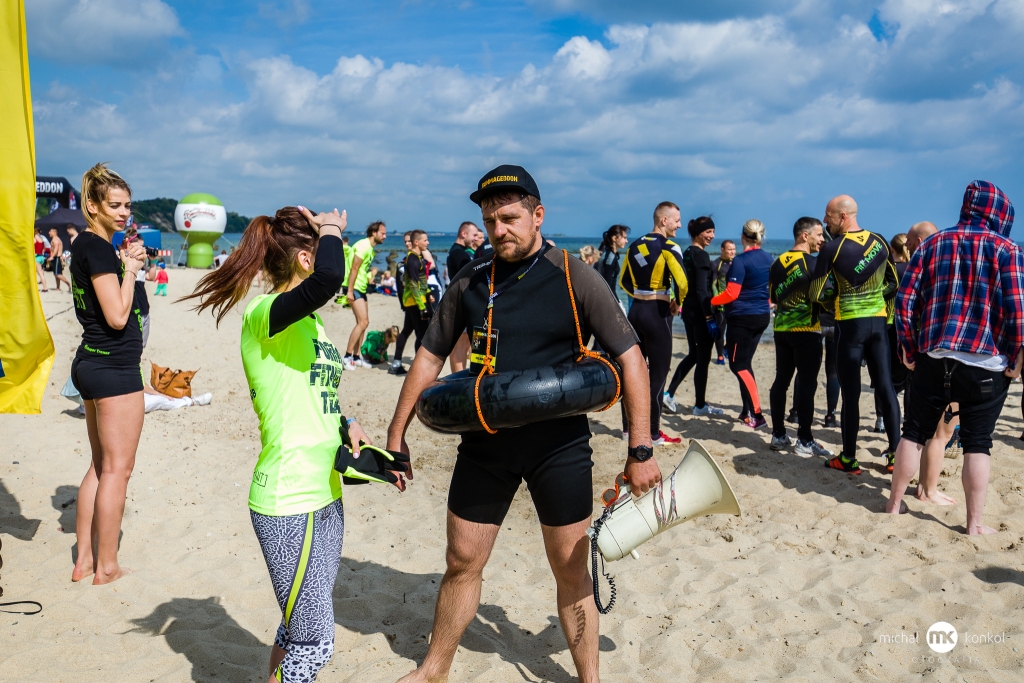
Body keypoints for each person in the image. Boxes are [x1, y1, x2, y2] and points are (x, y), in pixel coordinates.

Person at [387, 165, 657, 683]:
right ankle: (433, 669)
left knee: (571, 570)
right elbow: (429, 358)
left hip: (559, 446)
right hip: (486, 445)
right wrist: (397, 435)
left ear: (538, 216)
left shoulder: (574, 275)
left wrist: (640, 450)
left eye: (509, 218)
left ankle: (590, 679)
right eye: (490, 221)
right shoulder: (471, 280)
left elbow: (632, 359)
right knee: (462, 560)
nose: (499, 230)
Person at [183, 203, 402, 682]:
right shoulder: (263, 315)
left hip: (325, 491)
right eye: (324, 247)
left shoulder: (312, 323)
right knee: (315, 642)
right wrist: (331, 228)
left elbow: (309, 390)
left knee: (295, 627)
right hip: (287, 500)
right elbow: (330, 279)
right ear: (306, 259)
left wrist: (347, 422)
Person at [887, 181, 1023, 534]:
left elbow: (905, 301)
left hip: (934, 356)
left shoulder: (932, 243)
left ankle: (893, 505)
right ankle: (974, 525)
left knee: (913, 433)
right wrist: (1018, 355)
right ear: (999, 214)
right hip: (985, 363)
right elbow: (1017, 310)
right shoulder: (1007, 249)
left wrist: (908, 346)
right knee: (978, 444)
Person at [68, 163, 147, 585]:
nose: (123, 213)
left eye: (127, 205)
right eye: (114, 205)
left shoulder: (86, 246)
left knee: (100, 466)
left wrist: (124, 264)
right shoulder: (97, 248)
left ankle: (84, 561)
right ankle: (107, 566)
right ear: (93, 205)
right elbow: (117, 316)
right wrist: (131, 268)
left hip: (91, 362)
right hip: (112, 368)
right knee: (118, 469)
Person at [810, 195, 900, 474]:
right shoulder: (880, 241)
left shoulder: (832, 248)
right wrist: (875, 300)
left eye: (828, 216)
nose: (825, 221)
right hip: (878, 325)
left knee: (851, 394)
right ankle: (895, 456)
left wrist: (838, 298)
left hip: (850, 327)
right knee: (885, 387)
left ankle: (848, 459)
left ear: (843, 216)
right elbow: (894, 283)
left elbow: (815, 293)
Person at [619, 201, 689, 445]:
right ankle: (653, 433)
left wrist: (640, 295)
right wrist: (677, 302)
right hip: (657, 314)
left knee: (632, 371)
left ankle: (627, 429)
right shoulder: (669, 246)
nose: (679, 225)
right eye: (676, 220)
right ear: (663, 220)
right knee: (658, 375)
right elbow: (683, 283)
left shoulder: (634, 245)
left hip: (636, 312)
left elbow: (623, 281)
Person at [767, 218, 833, 456]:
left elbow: (774, 297)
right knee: (807, 383)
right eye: (819, 234)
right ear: (805, 236)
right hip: (806, 330)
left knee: (781, 380)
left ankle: (778, 434)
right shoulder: (812, 263)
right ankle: (804, 440)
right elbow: (825, 297)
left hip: (781, 329)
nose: (822, 239)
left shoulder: (777, 262)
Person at [710, 219, 773, 429]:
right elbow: (771, 289)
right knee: (745, 364)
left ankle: (757, 415)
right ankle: (746, 411)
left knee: (738, 365)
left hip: (742, 319)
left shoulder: (740, 261)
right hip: (762, 316)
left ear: (742, 237)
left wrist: (711, 301)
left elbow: (731, 293)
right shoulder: (769, 258)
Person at [664, 216, 724, 417]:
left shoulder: (687, 253)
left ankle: (669, 393)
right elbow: (701, 290)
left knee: (694, 355)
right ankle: (699, 405)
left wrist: (678, 302)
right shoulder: (702, 256)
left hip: (688, 311)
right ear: (698, 233)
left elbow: (680, 282)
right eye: (708, 232)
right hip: (700, 312)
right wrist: (709, 317)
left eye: (713, 232)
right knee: (703, 359)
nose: (712, 236)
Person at [343, 221, 387, 370]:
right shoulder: (363, 246)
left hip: (361, 287)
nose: (385, 236)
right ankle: (347, 357)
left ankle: (356, 357)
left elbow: (361, 270)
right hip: (354, 287)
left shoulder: (370, 249)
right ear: (374, 232)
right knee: (363, 322)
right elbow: (354, 268)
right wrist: (349, 291)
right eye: (383, 233)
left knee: (363, 323)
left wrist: (370, 275)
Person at [390, 230, 434, 375]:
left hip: (413, 301)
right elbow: (414, 285)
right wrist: (422, 307)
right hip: (415, 303)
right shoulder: (412, 260)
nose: (428, 243)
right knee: (421, 333)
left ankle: (396, 363)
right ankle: (418, 367)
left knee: (407, 330)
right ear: (417, 242)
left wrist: (428, 294)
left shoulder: (416, 258)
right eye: (425, 240)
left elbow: (421, 282)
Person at [711, 240, 735, 363]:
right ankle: (720, 355)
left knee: (736, 331)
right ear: (722, 249)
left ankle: (726, 348)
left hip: (735, 304)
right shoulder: (716, 264)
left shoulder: (736, 263)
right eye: (729, 249)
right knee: (721, 330)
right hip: (721, 304)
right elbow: (713, 284)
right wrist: (717, 300)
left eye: (734, 249)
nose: (732, 252)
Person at [593, 224, 630, 294]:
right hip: (605, 296)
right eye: (624, 238)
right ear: (614, 238)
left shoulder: (605, 252)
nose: (626, 241)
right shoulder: (610, 257)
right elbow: (608, 287)